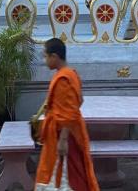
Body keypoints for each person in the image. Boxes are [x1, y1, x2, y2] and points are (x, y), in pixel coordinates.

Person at [35, 38, 98, 191]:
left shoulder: (64, 78)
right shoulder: (70, 74)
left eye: (46, 56)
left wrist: (63, 140)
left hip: (64, 134)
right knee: (73, 172)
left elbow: (69, 113)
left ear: (54, 57)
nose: (45, 60)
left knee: (68, 175)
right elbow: (79, 101)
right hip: (66, 131)